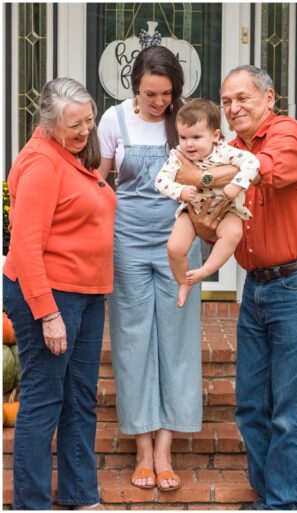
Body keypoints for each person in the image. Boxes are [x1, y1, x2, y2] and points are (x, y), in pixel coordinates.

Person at [174, 65, 297, 510]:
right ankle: (270, 496)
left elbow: (262, 171)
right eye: (227, 101)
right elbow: (218, 228)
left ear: (270, 97)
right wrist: (202, 221)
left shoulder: (287, 135)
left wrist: (199, 176)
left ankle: (286, 503)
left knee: (292, 408)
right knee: (250, 404)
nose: (233, 107)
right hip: (258, 286)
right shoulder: (228, 150)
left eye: (243, 98)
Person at [97, 44, 214, 492]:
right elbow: (102, 182)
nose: (158, 102)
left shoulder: (185, 122)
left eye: (166, 93)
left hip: (177, 247)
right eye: (150, 93)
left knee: (177, 341)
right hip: (126, 244)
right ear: (135, 87)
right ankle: (142, 448)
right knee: (133, 342)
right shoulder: (114, 120)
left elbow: (213, 173)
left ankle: (164, 450)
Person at [3, 77, 114, 510]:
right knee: (44, 399)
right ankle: (31, 503)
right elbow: (25, 248)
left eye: (89, 120)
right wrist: (48, 314)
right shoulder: (41, 165)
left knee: (80, 398)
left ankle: (81, 495)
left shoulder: (69, 156)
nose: (85, 131)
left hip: (86, 294)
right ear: (48, 123)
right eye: (75, 125)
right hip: (50, 295)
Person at [156, 98, 260, 307]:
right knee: (174, 247)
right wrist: (180, 190)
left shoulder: (226, 152)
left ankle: (206, 270)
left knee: (233, 233)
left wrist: (237, 184)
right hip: (191, 208)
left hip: (227, 208)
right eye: (183, 137)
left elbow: (252, 162)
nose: (189, 144)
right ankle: (183, 282)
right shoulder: (178, 156)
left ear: (215, 136)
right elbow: (160, 181)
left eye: (196, 137)